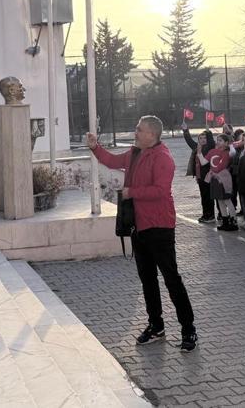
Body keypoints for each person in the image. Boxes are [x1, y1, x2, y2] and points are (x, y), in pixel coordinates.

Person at [86, 116, 197, 352]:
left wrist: (131, 192)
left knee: (171, 278)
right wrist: (95, 147)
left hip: (160, 226)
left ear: (152, 135)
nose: (135, 132)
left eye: (139, 129)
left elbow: (160, 191)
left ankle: (188, 329)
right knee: (147, 279)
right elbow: (112, 160)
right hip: (139, 226)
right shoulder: (134, 153)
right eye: (136, 128)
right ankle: (156, 326)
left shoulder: (163, 158)